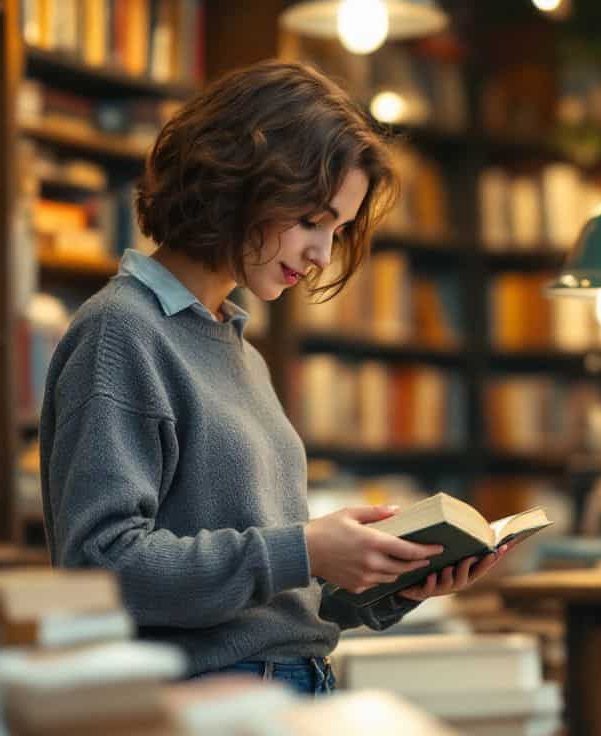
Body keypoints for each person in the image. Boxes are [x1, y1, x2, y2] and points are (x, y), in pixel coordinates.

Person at [39, 60, 508, 695]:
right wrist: (304, 549)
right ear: (240, 181)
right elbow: (100, 568)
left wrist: (390, 586)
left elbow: (270, 606)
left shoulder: (238, 349)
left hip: (296, 684)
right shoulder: (120, 332)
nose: (321, 255)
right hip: (210, 703)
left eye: (337, 230)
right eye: (312, 220)